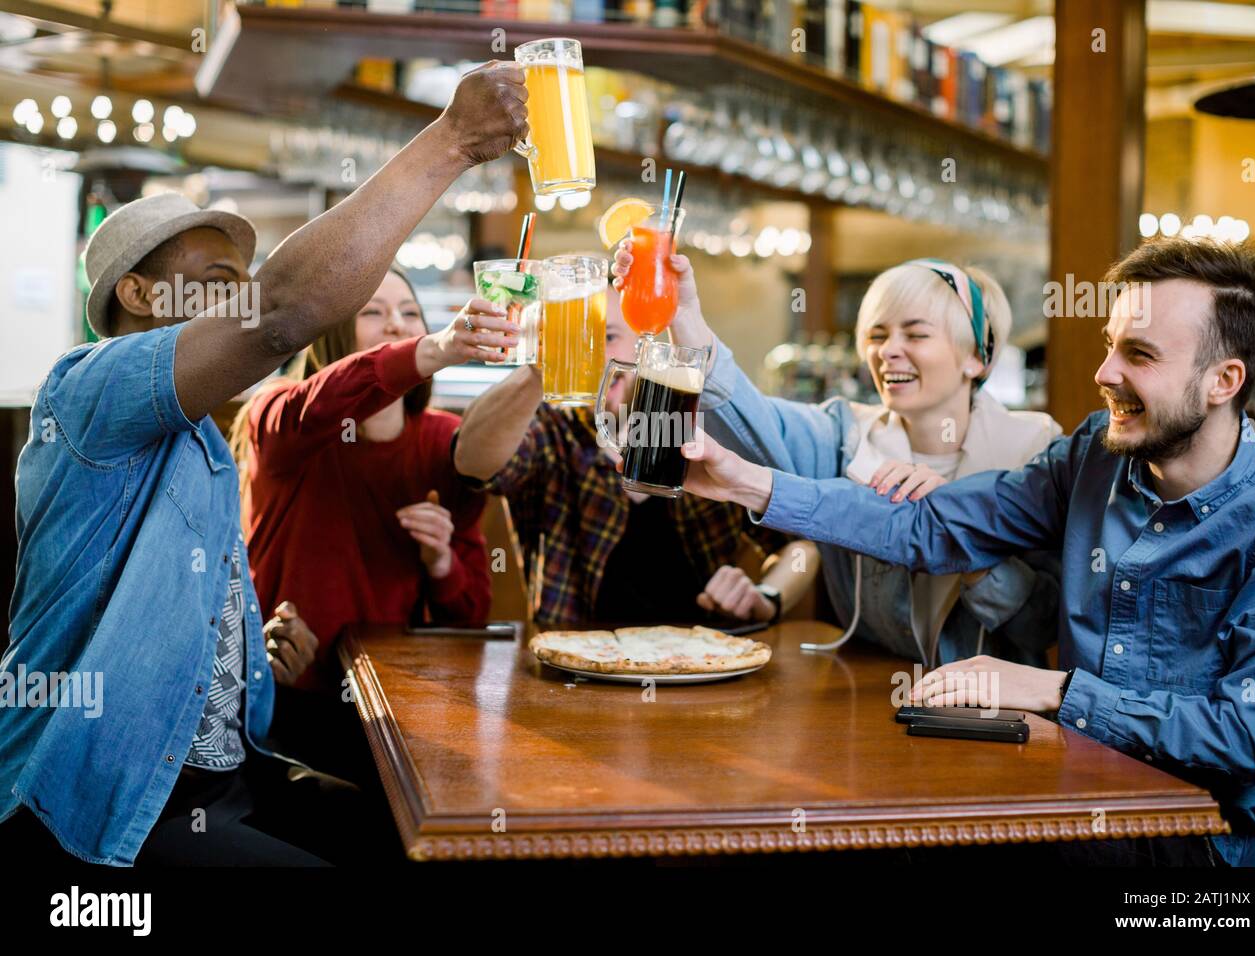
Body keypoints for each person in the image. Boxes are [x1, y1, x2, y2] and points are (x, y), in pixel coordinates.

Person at [0, 61, 528, 866]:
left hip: (226, 771)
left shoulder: (201, 442)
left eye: (241, 281)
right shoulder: (86, 389)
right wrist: (451, 140)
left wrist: (257, 648)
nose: (239, 298)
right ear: (139, 297)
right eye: (217, 283)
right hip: (104, 794)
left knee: (404, 839)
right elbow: (281, 316)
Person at [675, 237, 1255, 867]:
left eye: (1139, 354)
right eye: (1111, 345)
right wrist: (742, 482)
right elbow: (930, 527)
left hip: (1189, 847)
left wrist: (1050, 690)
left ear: (1225, 380)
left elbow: (1251, 738)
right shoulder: (1091, 454)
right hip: (1061, 801)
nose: (1104, 373)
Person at [614, 246, 1061, 667]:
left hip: (999, 720)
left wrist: (963, 534)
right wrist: (685, 316)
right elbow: (755, 418)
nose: (887, 351)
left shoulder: (1034, 454)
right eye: (877, 335)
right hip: (868, 700)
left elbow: (1040, 625)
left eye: (916, 334)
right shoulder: (844, 433)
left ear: (977, 358)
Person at [453, 287, 817, 629]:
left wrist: (765, 598)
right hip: (578, 672)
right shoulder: (552, 429)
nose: (596, 356)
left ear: (645, 346)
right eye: (580, 339)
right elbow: (472, 465)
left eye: (609, 337)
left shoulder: (690, 427)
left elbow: (800, 546)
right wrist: (537, 369)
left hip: (704, 664)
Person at [234, 267, 502, 691]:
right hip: (280, 696)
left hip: (395, 701)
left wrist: (442, 563)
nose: (396, 323)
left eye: (410, 313)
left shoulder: (442, 439)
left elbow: (470, 621)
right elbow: (325, 401)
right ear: (333, 335)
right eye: (373, 312)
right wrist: (438, 347)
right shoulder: (278, 413)